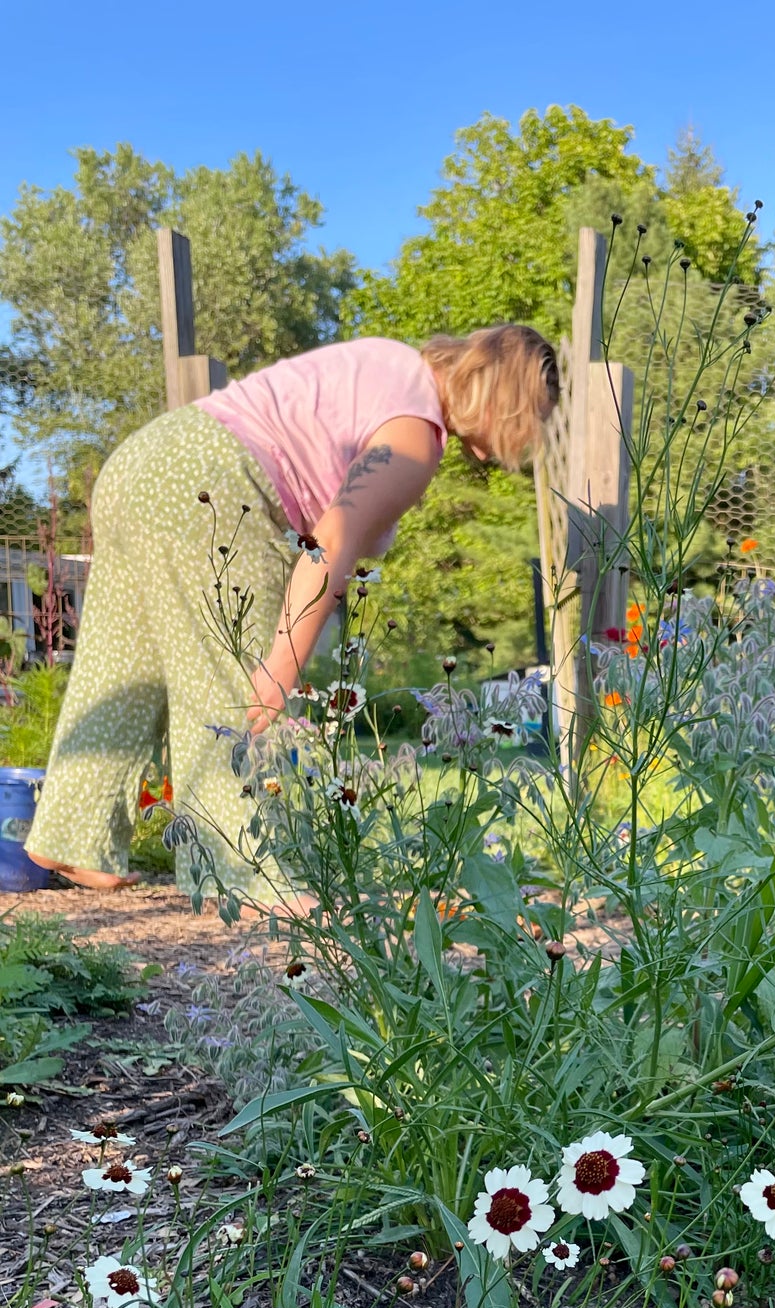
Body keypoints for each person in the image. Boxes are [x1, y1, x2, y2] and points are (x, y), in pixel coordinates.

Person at [26, 326, 559, 895]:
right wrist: (283, 661)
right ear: (502, 398)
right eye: (529, 419)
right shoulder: (415, 434)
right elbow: (334, 538)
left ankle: (70, 836)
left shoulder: (393, 365)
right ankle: (242, 876)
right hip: (213, 480)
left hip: (142, 463)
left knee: (122, 664)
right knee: (235, 686)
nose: (525, 441)